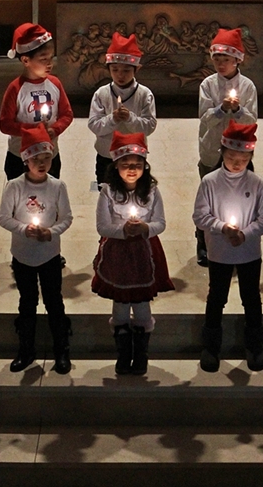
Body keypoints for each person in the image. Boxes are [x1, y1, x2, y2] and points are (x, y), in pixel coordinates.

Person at [192, 121, 263, 373]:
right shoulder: (210, 182)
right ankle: (211, 347)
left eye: (243, 159)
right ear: (222, 153)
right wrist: (222, 228)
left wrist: (245, 234)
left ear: (251, 157)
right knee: (217, 297)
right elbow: (200, 216)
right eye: (231, 158)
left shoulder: (257, 183)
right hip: (219, 252)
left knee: (251, 297)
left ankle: (255, 346)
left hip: (249, 252)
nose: (237, 163)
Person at [92, 131, 174, 375]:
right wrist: (122, 230)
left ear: (145, 166)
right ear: (116, 165)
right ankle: (123, 354)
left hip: (144, 253)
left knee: (141, 304)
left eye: (137, 165)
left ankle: (141, 355)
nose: (131, 170)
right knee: (120, 304)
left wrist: (145, 228)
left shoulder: (152, 191)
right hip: (117, 253)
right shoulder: (108, 192)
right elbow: (102, 226)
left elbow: (160, 223)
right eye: (126, 164)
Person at [0, 124, 74, 374]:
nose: (42, 164)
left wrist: (51, 232)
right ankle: (26, 349)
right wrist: (23, 229)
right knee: (27, 302)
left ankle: (61, 350)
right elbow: (3, 218)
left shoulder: (57, 186)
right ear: (25, 160)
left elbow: (67, 218)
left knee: (54, 302)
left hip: (49, 254)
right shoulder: (15, 187)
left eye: (46, 158)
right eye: (36, 159)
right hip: (23, 256)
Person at [195, 27, 258, 265]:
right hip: (212, 148)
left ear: (237, 60)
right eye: (217, 59)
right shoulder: (208, 84)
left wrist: (238, 110)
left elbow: (252, 120)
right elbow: (204, 118)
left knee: (241, 197)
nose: (221, 64)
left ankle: (242, 237)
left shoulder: (248, 86)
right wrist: (221, 109)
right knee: (209, 197)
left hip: (239, 151)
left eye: (226, 59)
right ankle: (203, 243)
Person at [0, 23, 73, 181]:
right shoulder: (16, 89)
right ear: (26, 60)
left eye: (51, 58)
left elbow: (67, 114)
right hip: (20, 157)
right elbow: (5, 124)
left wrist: (54, 130)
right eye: (43, 59)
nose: (50, 63)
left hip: (49, 155)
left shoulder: (55, 84)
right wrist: (33, 130)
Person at [88, 32, 158, 183]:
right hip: (107, 156)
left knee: (136, 193)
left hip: (134, 157)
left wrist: (130, 118)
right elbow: (94, 125)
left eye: (126, 70)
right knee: (106, 192)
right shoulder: (102, 94)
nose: (120, 75)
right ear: (108, 69)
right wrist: (112, 119)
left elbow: (149, 126)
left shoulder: (144, 94)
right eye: (115, 70)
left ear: (136, 69)